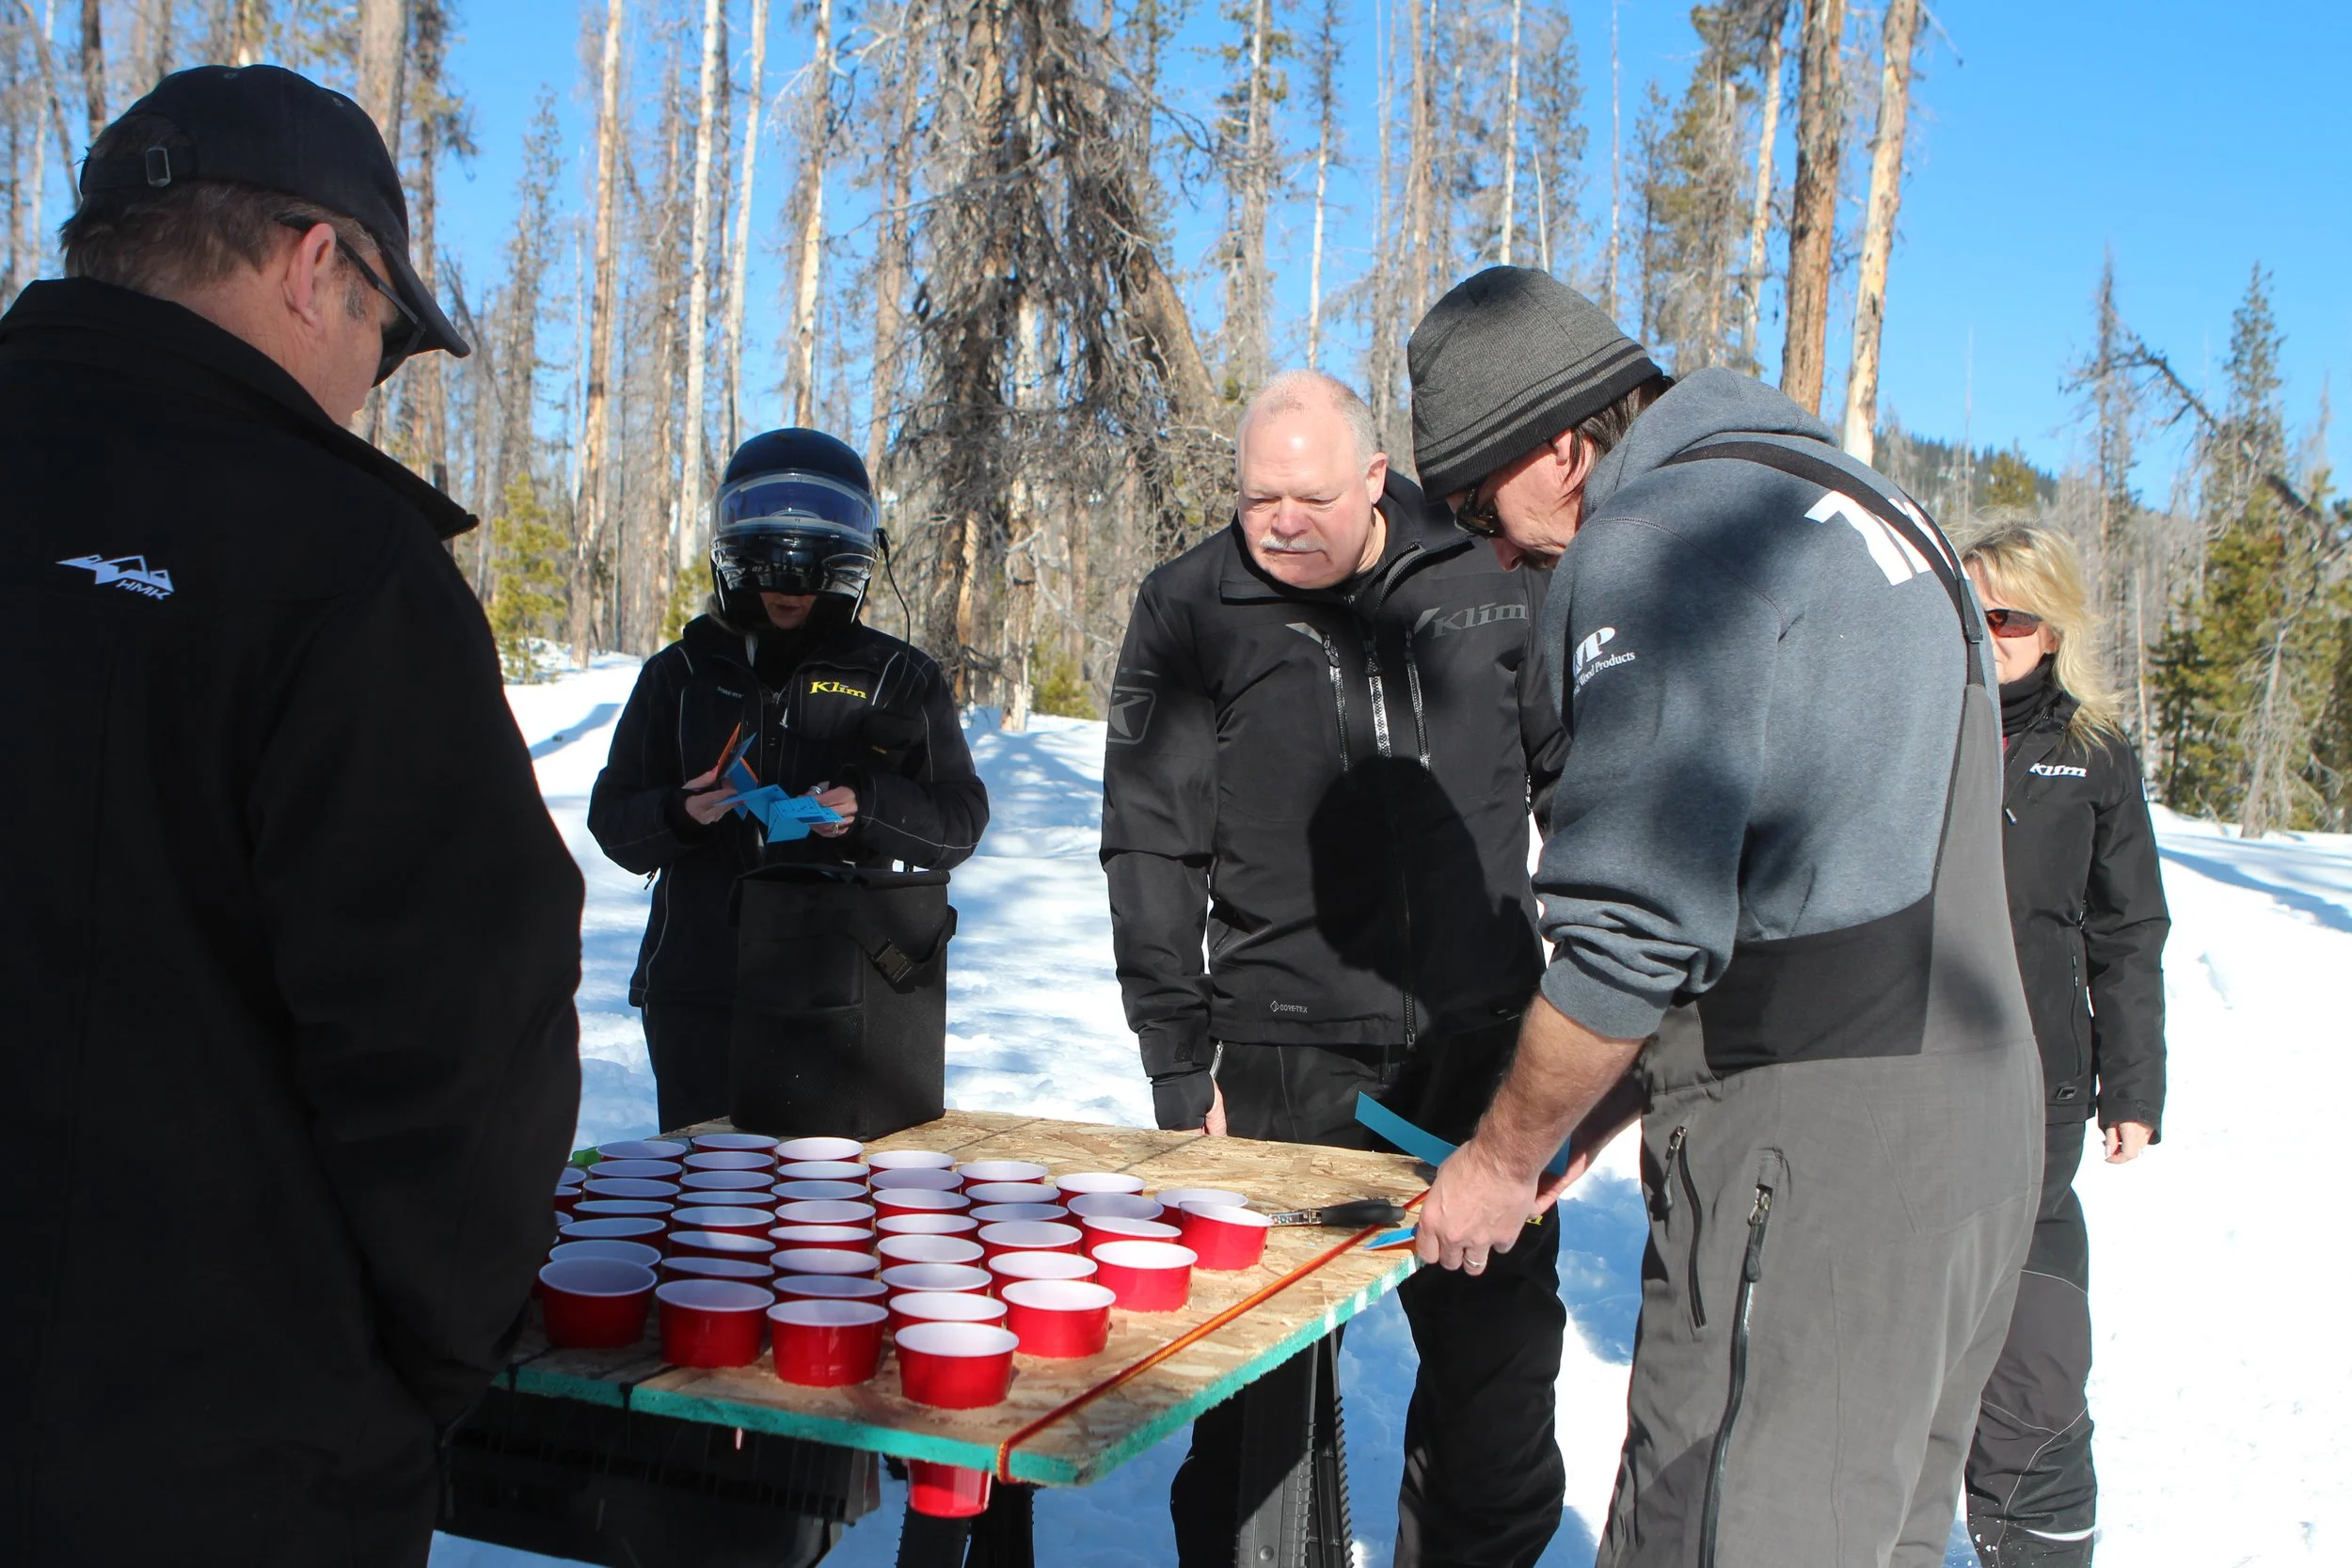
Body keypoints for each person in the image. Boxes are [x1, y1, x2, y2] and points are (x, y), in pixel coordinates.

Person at [0, 67, 584, 1568]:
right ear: (317, 264)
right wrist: (417, 1372)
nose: (366, 384)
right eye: (384, 338)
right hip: (218, 1460)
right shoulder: (339, 562)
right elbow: (463, 1040)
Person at [1403, 266, 2044, 1568]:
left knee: (1714, 1526)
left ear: (1563, 446)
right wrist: (1598, 1100)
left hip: (1815, 1158)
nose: (1495, 549)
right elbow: (1819, 870)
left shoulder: (1663, 541)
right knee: (1874, 1533)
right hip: (1977, 1122)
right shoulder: (1862, 503)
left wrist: (1504, 1156)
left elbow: (1631, 921)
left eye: (1478, 503)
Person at [1101, 369, 1569, 1565]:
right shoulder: (1190, 604)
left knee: (1497, 1388)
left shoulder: (1487, 573)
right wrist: (1175, 1056)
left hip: (1481, 1050)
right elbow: (1150, 840)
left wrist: (1596, 1005)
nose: (1280, 522)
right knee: (1258, 1398)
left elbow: (1578, 787)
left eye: (1310, 497)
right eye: (1258, 496)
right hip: (1281, 1057)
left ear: (1373, 477)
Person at [590, 428, 988, 1132]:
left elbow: (958, 823)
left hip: (846, 990)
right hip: (699, 991)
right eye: (770, 578)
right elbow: (615, 825)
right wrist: (681, 813)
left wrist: (868, 806)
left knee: (831, 1190)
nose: (787, 596)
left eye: (807, 582)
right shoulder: (679, 675)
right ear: (737, 566)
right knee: (705, 1181)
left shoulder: (899, 678)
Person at [1958, 522, 2168, 1567]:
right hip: (1903, 1076)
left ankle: (2031, 1533)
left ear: (2050, 628)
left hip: (2038, 1086)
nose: (1985, 629)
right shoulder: (1914, 721)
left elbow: (2128, 929)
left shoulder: (2091, 750)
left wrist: (2133, 1084)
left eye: (2008, 615)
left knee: (2031, 1355)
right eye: (1969, 606)